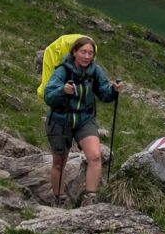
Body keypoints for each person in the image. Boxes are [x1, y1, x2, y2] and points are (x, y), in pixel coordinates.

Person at [43, 36, 121, 207]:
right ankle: (59, 199)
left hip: (84, 119)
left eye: (90, 53)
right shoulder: (62, 71)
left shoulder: (95, 71)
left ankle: (90, 199)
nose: (87, 56)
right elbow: (49, 96)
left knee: (94, 156)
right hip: (60, 120)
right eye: (83, 52)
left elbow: (104, 94)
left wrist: (113, 91)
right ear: (74, 52)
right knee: (59, 162)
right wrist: (63, 91)